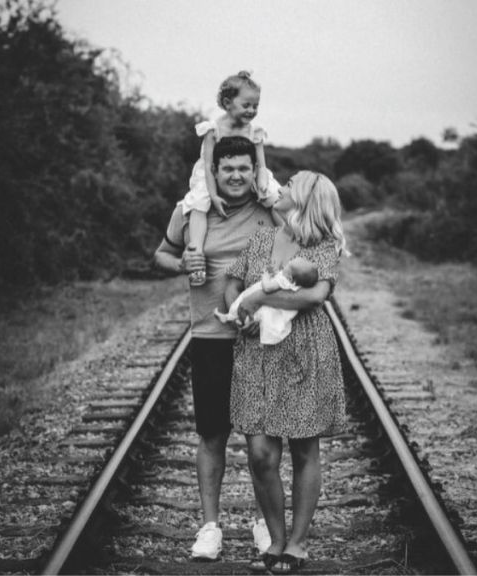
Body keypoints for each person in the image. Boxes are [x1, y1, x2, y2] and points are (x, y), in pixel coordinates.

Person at [153, 136, 276, 560]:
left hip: (261, 339)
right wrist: (181, 263)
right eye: (228, 169)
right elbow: (162, 254)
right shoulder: (192, 210)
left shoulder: (268, 209)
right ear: (215, 171)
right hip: (208, 337)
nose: (237, 175)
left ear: (253, 169)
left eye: (244, 167)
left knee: (261, 442)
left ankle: (265, 525)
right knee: (211, 435)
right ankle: (210, 528)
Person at [224, 171, 349, 574]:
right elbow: (232, 281)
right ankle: (275, 538)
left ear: (307, 198)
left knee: (303, 448)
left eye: (289, 182)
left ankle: (295, 543)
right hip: (255, 350)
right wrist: (238, 312)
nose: (279, 187)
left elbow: (317, 294)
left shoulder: (323, 243)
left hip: (303, 352)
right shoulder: (261, 237)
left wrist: (259, 295)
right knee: (261, 453)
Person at [180, 70, 281, 286]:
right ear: (228, 103)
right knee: (198, 202)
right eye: (246, 105)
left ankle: (290, 237)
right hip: (214, 174)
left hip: (249, 172)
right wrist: (214, 195)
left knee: (274, 195)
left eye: (255, 106)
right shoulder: (214, 129)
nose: (252, 111)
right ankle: (196, 250)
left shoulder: (254, 130)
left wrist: (262, 185)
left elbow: (261, 164)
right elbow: (208, 165)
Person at [214, 257, 319, 345]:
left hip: (262, 306)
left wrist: (265, 276)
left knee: (245, 310)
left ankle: (229, 317)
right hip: (265, 308)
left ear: (290, 277)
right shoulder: (291, 283)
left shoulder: (283, 281)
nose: (287, 264)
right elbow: (233, 285)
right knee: (247, 314)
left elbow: (267, 288)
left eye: (289, 265)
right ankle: (232, 318)